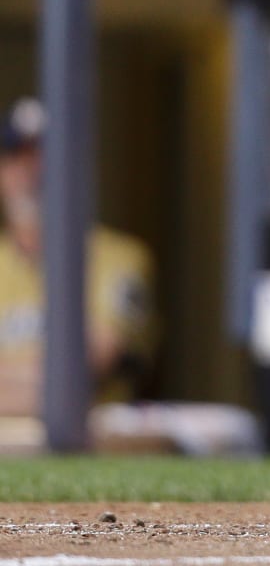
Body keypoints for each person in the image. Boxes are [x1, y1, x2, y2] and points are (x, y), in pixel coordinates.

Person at [0, 98, 155, 429]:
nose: (30, 171)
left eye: (45, 157)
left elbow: (83, 370)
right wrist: (40, 380)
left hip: (90, 449)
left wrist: (15, 377)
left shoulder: (119, 256)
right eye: (17, 157)